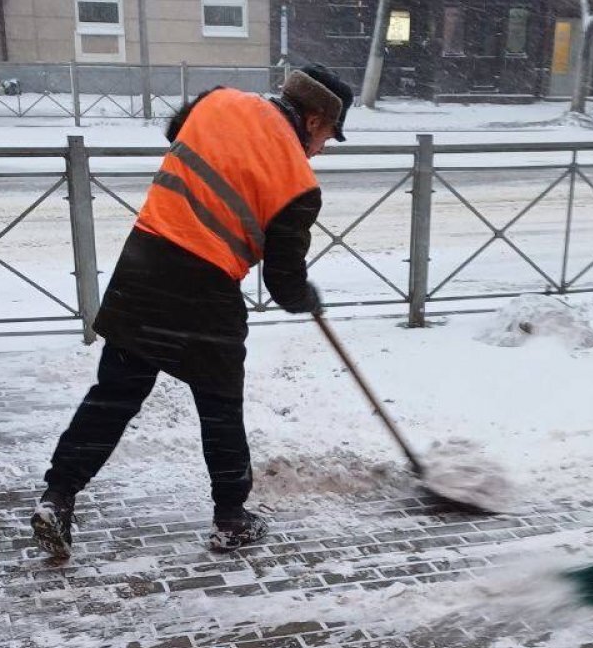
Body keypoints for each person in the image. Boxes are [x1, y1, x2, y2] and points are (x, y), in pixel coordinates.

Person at [31, 64, 354, 560]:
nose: (323, 148)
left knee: (113, 397)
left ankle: (58, 496)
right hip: (206, 291)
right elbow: (283, 281)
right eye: (329, 135)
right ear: (313, 120)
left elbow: (176, 134)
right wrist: (304, 297)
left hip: (144, 267)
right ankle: (231, 519)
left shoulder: (218, 101)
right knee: (219, 407)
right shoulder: (299, 183)